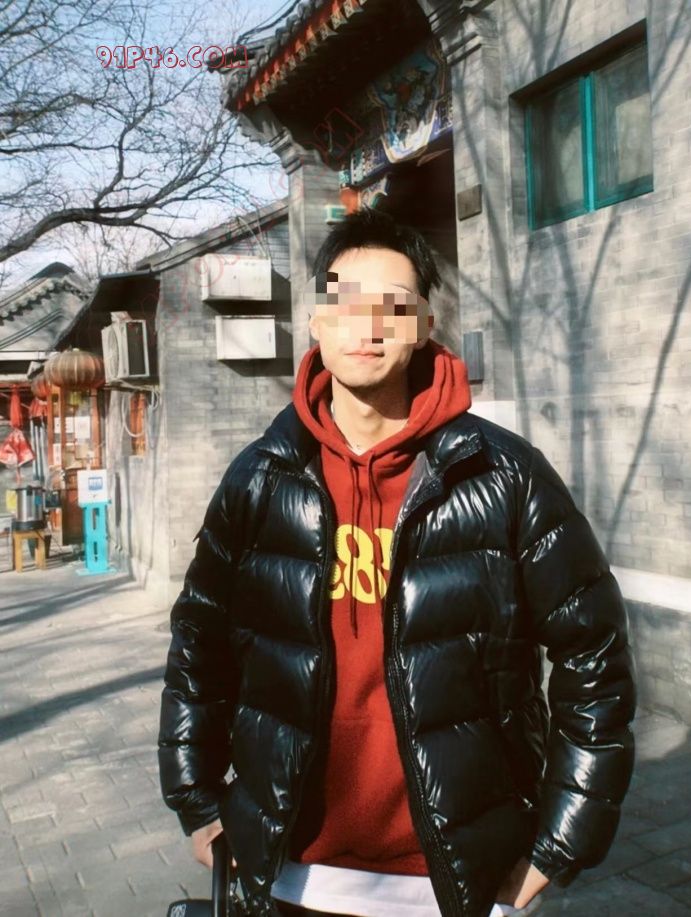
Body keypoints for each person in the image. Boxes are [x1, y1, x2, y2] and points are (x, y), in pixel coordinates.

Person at [158, 208, 636, 917]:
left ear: (423, 327)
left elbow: (593, 656)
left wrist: (560, 842)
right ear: (317, 321)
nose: (367, 324)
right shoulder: (259, 479)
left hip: (456, 878)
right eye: (346, 300)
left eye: (393, 304)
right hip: (289, 870)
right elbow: (199, 642)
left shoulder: (504, 476)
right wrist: (196, 800)